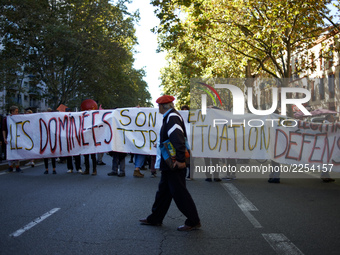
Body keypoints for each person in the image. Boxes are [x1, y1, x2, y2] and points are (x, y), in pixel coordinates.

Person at [140, 95, 201, 231]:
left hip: (174, 163)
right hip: (169, 164)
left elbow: (178, 139)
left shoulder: (172, 117)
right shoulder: (171, 117)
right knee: (163, 192)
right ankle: (155, 218)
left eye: (159, 106)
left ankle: (193, 220)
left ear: (163, 106)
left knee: (179, 193)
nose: (158, 108)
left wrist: (180, 160)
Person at [80, 99, 98, 176]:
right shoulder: (82, 118)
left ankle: (94, 170)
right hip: (86, 139)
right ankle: (87, 169)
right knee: (86, 156)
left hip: (92, 139)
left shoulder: (96, 119)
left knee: (93, 156)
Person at [2, 106, 22, 172]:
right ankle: (10, 166)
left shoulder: (18, 118)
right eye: (16, 111)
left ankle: (17, 166)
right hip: (9, 137)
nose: (17, 113)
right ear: (12, 112)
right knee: (9, 152)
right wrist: (4, 138)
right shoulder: (6, 119)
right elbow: (4, 129)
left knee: (17, 152)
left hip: (17, 137)